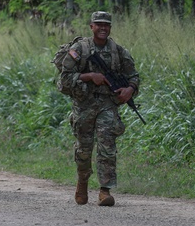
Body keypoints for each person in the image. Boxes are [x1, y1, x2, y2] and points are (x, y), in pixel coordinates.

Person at [57, 11, 140, 207]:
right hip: (84, 104)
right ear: (91, 26)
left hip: (107, 104)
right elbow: (64, 79)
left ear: (110, 28)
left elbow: (134, 76)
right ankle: (82, 182)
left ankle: (105, 190)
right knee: (84, 149)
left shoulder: (118, 51)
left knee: (107, 147)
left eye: (106, 25)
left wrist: (129, 90)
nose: (103, 28)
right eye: (99, 24)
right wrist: (89, 76)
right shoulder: (80, 49)